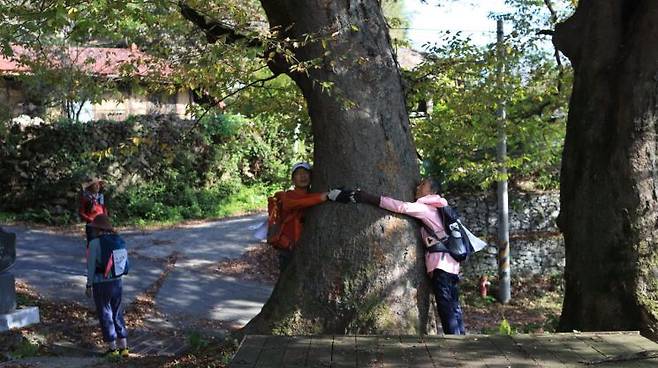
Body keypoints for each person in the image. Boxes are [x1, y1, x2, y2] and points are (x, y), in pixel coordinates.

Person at [352, 177, 465, 335]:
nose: (418, 187)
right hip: (452, 263)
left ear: (432, 191)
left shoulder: (426, 208)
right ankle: (461, 338)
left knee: (445, 304)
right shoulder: (440, 207)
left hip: (440, 263)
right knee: (454, 305)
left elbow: (400, 207)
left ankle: (454, 342)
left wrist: (367, 197)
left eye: (423, 184)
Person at [273, 162, 351, 271]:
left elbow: (309, 198)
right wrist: (325, 197)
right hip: (289, 248)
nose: (303, 176)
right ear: (293, 179)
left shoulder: (311, 195)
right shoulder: (288, 196)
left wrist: (328, 195)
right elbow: (299, 202)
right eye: (298, 174)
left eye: (306, 173)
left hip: (306, 248)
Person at [85, 214, 129, 358]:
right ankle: (124, 348)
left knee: (105, 314)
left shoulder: (94, 243)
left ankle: (112, 349)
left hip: (101, 284)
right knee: (117, 313)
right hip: (117, 282)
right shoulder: (119, 240)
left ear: (97, 229)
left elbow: (91, 266)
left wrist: (88, 285)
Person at [79, 177, 108, 246]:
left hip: (102, 223)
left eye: (98, 185)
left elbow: (103, 209)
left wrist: (105, 218)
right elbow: (81, 212)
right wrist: (90, 220)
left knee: (102, 244)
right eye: (95, 185)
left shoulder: (101, 197)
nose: (98, 186)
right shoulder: (86, 198)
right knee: (92, 244)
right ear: (90, 187)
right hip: (92, 224)